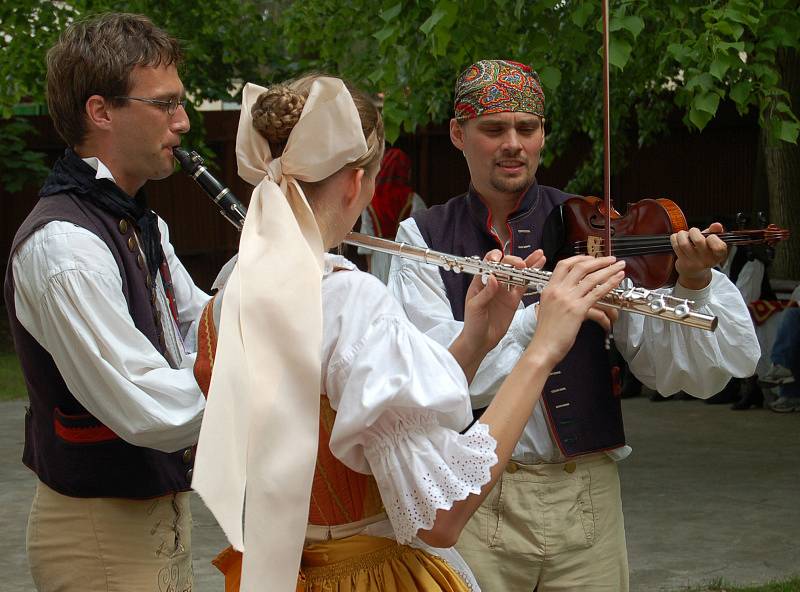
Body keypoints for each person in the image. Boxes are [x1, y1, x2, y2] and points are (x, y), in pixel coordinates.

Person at [190, 74, 625, 592]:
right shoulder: (349, 299)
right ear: (357, 181)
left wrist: (476, 340)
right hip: (368, 576)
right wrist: (543, 348)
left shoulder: (230, 292)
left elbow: (374, 407)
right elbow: (441, 518)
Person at [387, 59, 761, 591]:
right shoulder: (421, 237)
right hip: (470, 496)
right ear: (458, 134)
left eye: (527, 128)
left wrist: (694, 284)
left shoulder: (594, 229)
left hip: (586, 498)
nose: (513, 143)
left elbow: (679, 370)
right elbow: (427, 380)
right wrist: (537, 323)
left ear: (543, 135)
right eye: (494, 129)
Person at [3, 13, 209, 591]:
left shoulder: (139, 221)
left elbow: (200, 328)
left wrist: (281, 278)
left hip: (153, 521)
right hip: (101, 538)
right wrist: (272, 370)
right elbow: (147, 405)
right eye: (165, 105)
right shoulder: (65, 246)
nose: (184, 122)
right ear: (102, 111)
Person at [357, 147, 426, 283]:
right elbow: (421, 237)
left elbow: (366, 238)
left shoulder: (370, 201)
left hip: (379, 256)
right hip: (404, 257)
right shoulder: (412, 199)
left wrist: (371, 269)